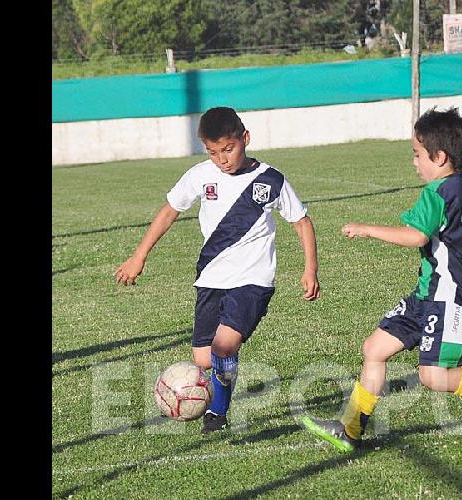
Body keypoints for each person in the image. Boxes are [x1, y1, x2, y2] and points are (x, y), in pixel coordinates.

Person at [299, 107, 462, 451]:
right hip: (426, 293)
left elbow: (416, 236)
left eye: (416, 154)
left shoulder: (436, 194)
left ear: (439, 156)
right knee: (375, 349)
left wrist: (368, 229)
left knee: (433, 376)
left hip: (450, 297)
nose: (414, 162)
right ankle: (349, 428)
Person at [114, 106, 321, 432]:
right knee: (203, 360)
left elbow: (301, 222)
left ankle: (218, 413)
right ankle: (211, 398)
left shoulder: (270, 180)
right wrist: (139, 256)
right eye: (213, 153)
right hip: (211, 277)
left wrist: (310, 269)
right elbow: (169, 211)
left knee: (224, 346)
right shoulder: (200, 175)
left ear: (245, 139)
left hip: (254, 279)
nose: (223, 159)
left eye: (229, 149)